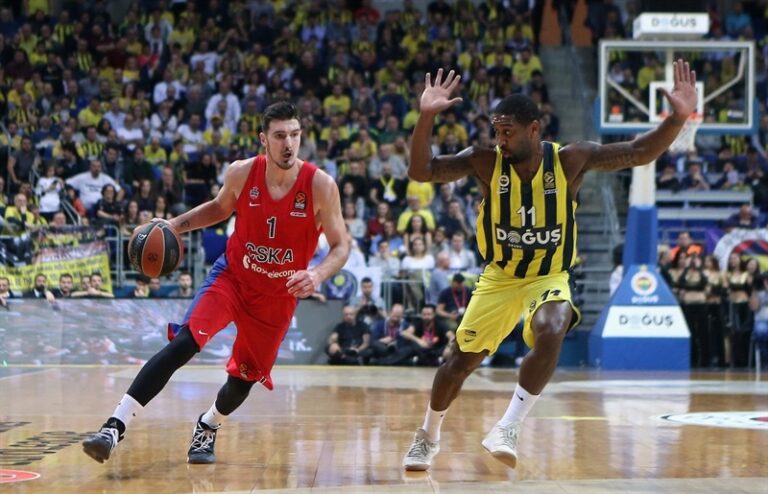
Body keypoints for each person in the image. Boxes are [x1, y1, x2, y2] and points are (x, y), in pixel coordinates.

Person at [402, 64, 698, 470]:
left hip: (549, 275)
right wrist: (426, 116)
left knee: (554, 326)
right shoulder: (485, 162)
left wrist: (677, 118)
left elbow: (639, 152)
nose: (500, 140)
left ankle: (507, 427)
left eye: (508, 132)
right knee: (459, 364)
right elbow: (421, 171)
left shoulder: (571, 159)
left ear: (534, 129)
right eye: (497, 132)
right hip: (500, 277)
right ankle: (428, 435)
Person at [82, 102, 349, 464]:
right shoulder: (242, 172)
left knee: (242, 382)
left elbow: (340, 246)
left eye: (295, 135)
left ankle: (208, 424)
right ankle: (113, 427)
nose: (288, 143)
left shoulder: (320, 185)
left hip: (276, 296)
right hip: (232, 278)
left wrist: (317, 273)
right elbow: (220, 208)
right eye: (279, 136)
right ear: (264, 139)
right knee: (184, 343)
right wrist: (173, 225)